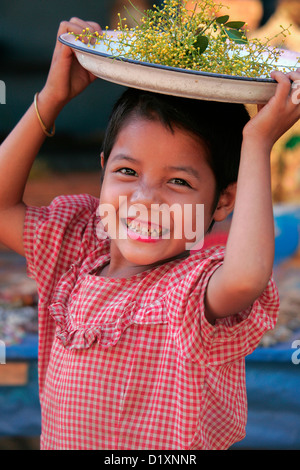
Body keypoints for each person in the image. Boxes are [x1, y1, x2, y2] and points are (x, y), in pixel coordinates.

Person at [0, 17, 300, 450]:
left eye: (178, 182)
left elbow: (247, 277)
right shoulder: (78, 250)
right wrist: (51, 99)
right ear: (102, 169)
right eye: (127, 171)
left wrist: (257, 142)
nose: (145, 199)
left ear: (222, 201)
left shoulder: (188, 291)